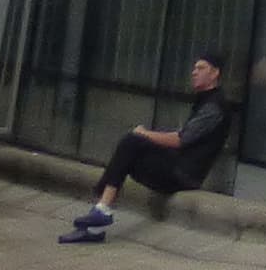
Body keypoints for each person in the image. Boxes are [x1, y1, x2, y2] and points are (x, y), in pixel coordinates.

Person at [61, 52, 232, 240]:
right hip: (178, 168)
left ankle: (101, 212)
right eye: (194, 68)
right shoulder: (206, 101)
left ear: (215, 73)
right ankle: (98, 222)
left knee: (132, 142)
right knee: (129, 149)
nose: (194, 72)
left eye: (201, 68)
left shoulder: (215, 106)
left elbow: (180, 140)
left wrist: (144, 133)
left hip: (184, 175)